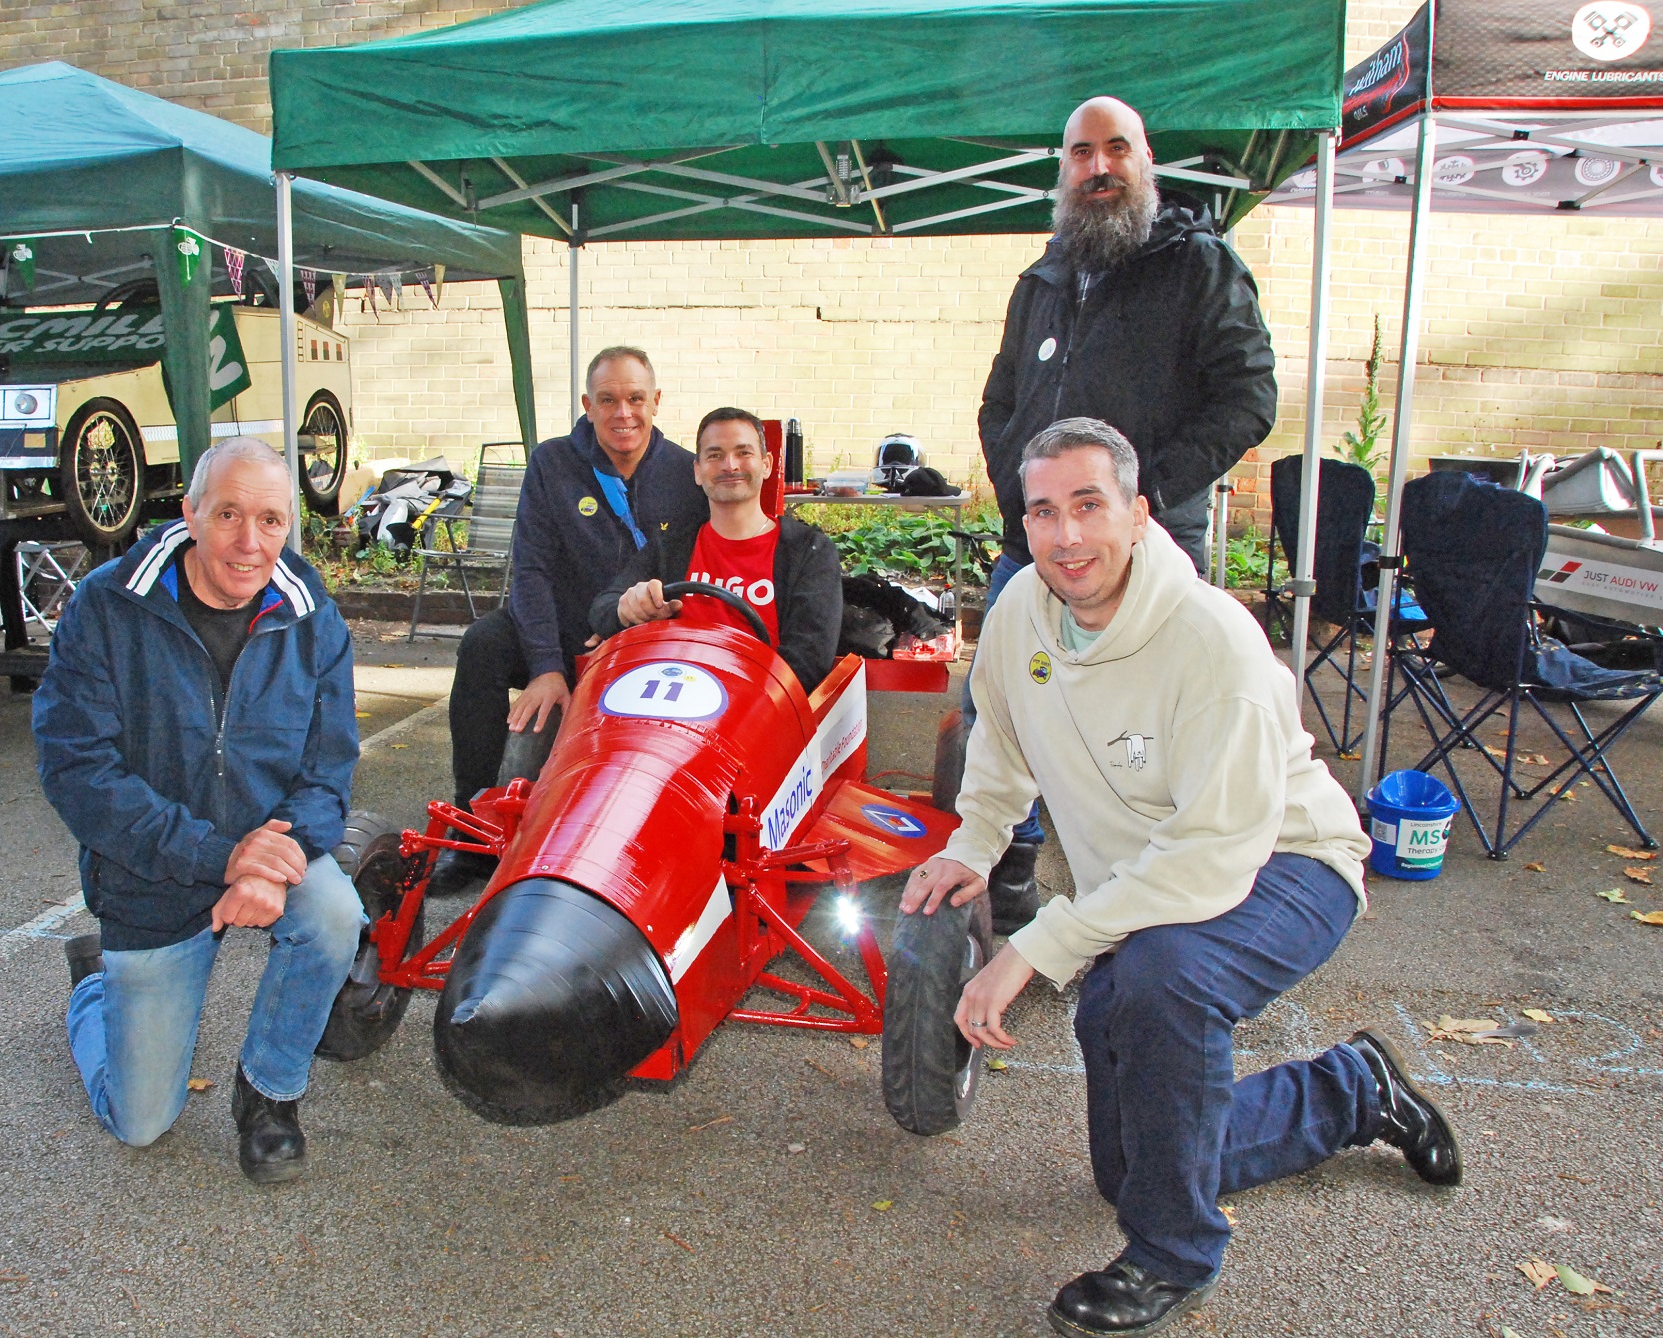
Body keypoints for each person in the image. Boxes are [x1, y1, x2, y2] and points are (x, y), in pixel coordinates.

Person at [903, 418, 1461, 1338]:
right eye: (1044, 512)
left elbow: (1210, 855)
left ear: (1139, 513)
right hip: (1157, 887)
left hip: (1286, 861)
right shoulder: (1019, 616)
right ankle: (1355, 1091)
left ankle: (1174, 1255)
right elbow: (999, 741)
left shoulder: (1214, 644)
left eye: (1090, 505)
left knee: (1162, 986)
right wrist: (972, 843)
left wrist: (1034, 949)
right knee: (1133, 1163)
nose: (1068, 536)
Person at [964, 95, 1280, 932]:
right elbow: (1002, 399)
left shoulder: (1199, 266)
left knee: (1142, 739)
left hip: (1150, 552)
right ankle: (1014, 879)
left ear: (1147, 163)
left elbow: (1249, 398)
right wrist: (1017, 493)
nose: (1097, 167)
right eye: (1080, 153)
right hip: (1029, 555)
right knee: (1001, 713)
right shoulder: (1042, 278)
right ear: (1062, 169)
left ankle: (1160, 905)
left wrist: (1146, 496)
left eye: (1116, 150)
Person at [33, 437, 365, 1185]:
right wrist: (220, 858)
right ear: (188, 512)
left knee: (335, 915)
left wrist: (267, 862)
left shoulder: (313, 617)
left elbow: (328, 768)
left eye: (273, 521)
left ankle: (270, 1094)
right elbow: (77, 771)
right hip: (152, 874)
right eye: (229, 515)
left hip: (267, 855)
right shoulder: (108, 608)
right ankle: (93, 990)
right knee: (141, 1122)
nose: (251, 544)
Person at [434, 346, 706, 892]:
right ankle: (472, 835)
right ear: (587, 404)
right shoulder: (553, 462)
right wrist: (546, 666)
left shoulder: (685, 471)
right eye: (607, 400)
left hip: (640, 637)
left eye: (634, 398)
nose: (622, 413)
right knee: (483, 644)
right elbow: (530, 569)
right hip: (557, 631)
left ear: (657, 401)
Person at [589, 406, 842, 692]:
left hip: (755, 712)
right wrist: (628, 610)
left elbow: (808, 661)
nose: (729, 465)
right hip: (665, 704)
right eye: (715, 455)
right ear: (698, 471)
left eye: (743, 453)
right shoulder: (673, 543)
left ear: (767, 464)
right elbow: (603, 609)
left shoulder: (809, 552)